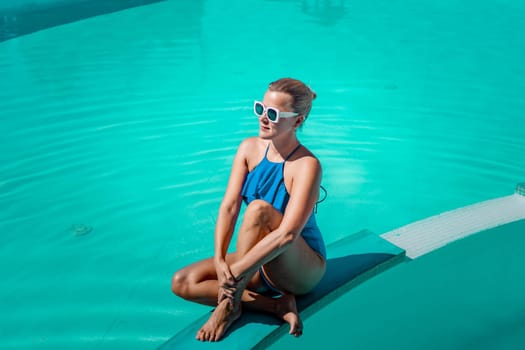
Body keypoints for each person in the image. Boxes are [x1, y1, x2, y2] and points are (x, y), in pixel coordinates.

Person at [171, 78, 327, 342]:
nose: (264, 118)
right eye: (260, 109)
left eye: (274, 114)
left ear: (297, 121)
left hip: (300, 265)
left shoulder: (306, 165)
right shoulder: (248, 148)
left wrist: (236, 273)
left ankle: (229, 306)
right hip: (259, 258)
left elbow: (287, 235)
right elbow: (229, 207)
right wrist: (221, 261)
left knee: (258, 210)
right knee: (183, 281)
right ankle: (275, 306)